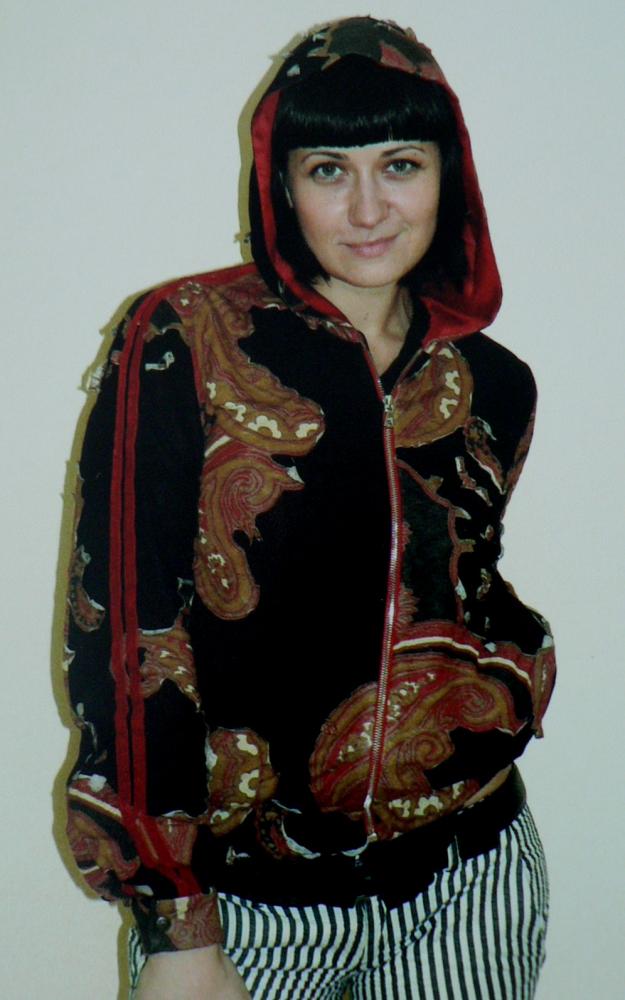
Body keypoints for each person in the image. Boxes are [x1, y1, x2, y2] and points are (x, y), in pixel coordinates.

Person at [64, 16, 556, 999]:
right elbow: (126, 629)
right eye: (329, 169)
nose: (368, 208)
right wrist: (175, 920)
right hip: (249, 903)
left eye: (401, 165)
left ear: (447, 177)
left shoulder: (492, 382)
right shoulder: (185, 340)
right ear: (282, 186)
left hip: (470, 871)